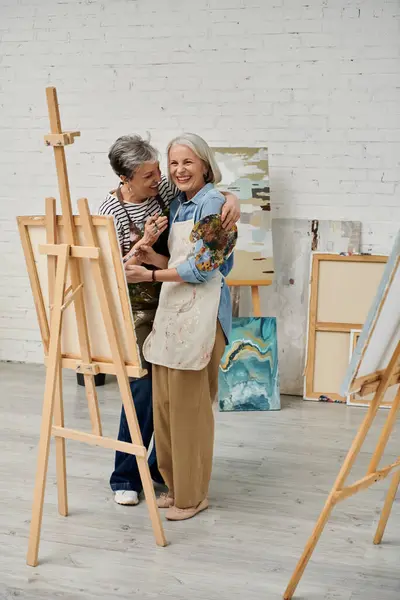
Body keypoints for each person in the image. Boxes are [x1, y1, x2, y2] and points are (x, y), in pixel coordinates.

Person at [99, 134, 240, 506]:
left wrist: (230, 198)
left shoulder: (167, 191)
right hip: (139, 305)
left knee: (173, 398)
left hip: (176, 301)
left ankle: (166, 477)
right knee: (146, 391)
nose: (162, 177)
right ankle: (127, 475)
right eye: (151, 174)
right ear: (126, 178)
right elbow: (113, 270)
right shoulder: (110, 212)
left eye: (160, 169)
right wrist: (141, 252)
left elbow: (206, 196)